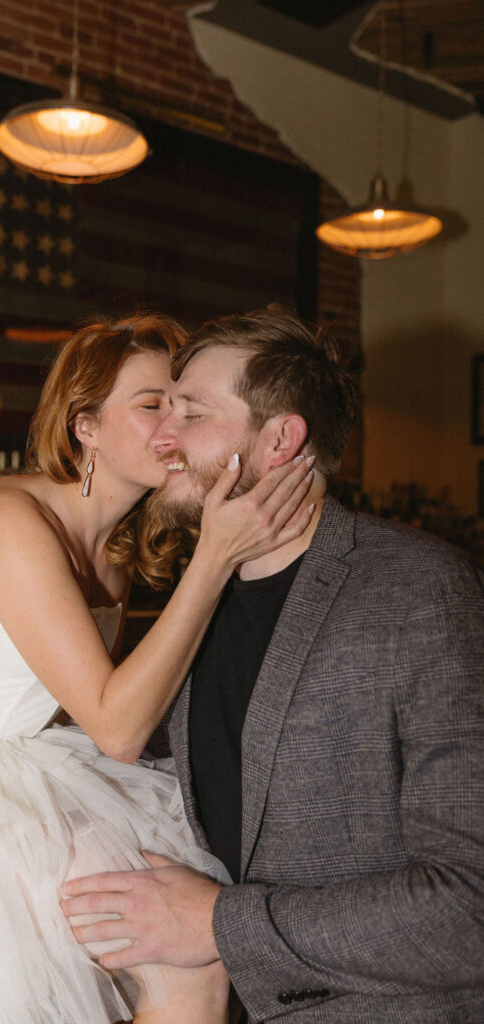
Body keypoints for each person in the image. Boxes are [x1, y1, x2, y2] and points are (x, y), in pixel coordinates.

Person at [0, 313, 315, 1024]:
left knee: (187, 961)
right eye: (149, 404)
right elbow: (115, 728)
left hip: (16, 773)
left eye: (183, 405)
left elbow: (90, 708)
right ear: (86, 427)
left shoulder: (112, 546)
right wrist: (214, 557)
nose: (173, 424)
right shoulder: (14, 520)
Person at [61, 309, 484, 1023]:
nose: (165, 439)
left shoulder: (419, 590)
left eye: (191, 413)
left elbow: (469, 906)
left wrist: (218, 925)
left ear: (281, 438)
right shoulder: (198, 594)